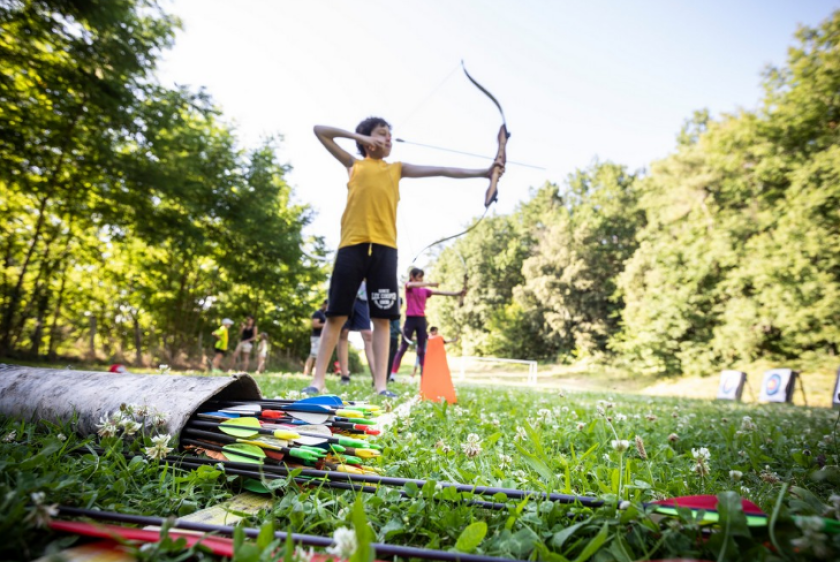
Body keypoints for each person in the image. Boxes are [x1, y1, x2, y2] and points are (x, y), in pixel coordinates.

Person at [302, 117, 503, 397]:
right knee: (336, 315)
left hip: (385, 250)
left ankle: (382, 386)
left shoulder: (396, 169)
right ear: (367, 141)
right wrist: (359, 138)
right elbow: (320, 131)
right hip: (352, 246)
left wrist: (485, 172)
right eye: (381, 134)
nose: (388, 139)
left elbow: (442, 170)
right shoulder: (354, 164)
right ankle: (317, 381)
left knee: (382, 319)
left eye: (390, 135)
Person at [391, 268, 465, 377]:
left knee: (422, 349)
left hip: (421, 320)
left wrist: (457, 293)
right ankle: (393, 375)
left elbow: (441, 292)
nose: (421, 279)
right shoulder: (409, 286)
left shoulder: (424, 291)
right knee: (403, 347)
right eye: (419, 277)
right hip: (410, 319)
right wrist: (431, 283)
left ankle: (424, 376)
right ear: (412, 276)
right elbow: (411, 285)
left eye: (422, 277)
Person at [337, 281, 377, 385]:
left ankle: (376, 377)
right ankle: (344, 376)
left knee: (368, 334)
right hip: (344, 296)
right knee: (343, 333)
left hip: (363, 298)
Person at [303, 301, 327, 376]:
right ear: (324, 304)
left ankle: (315, 373)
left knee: (319, 356)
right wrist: (326, 325)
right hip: (316, 337)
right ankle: (306, 372)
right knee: (313, 354)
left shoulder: (325, 314)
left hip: (322, 337)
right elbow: (315, 324)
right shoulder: (318, 313)